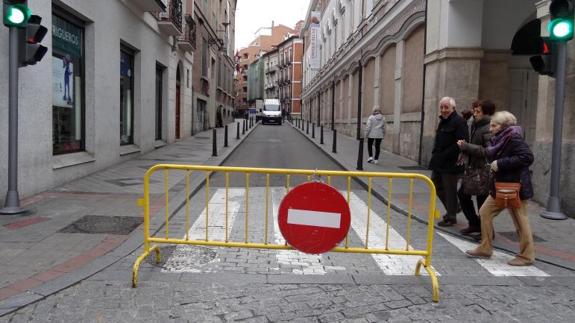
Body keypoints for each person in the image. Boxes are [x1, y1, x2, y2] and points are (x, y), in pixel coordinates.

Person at [466, 111, 535, 266]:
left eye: (494, 125)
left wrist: (501, 163)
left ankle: (527, 256)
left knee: (520, 221)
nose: (491, 129)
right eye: (491, 125)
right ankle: (485, 247)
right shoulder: (501, 139)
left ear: (505, 126)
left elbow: (527, 157)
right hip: (501, 186)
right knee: (485, 212)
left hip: (515, 187)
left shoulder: (514, 138)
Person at [456, 100, 496, 236]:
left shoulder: (488, 128)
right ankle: (474, 224)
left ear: (486, 113)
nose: (475, 114)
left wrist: (467, 146)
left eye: (478, 111)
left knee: (482, 202)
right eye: (474, 110)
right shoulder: (475, 125)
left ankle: (488, 232)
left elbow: (488, 151)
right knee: (463, 195)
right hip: (472, 169)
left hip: (482, 170)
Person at [429, 97, 469, 227]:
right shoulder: (443, 121)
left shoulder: (459, 122)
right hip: (439, 161)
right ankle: (455, 207)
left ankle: (451, 216)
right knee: (435, 184)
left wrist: (445, 155)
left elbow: (461, 142)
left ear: (453, 108)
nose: (443, 110)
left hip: (451, 163)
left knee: (449, 189)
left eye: (446, 107)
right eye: (441, 107)